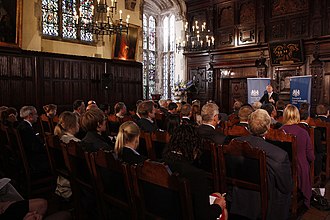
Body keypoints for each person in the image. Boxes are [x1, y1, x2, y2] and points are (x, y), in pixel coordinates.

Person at [234, 109, 293, 220]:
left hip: (239, 198)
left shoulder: (234, 143)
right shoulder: (279, 155)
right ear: (268, 128)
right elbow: (286, 186)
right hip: (266, 205)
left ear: (249, 125)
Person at [163, 124, 227, 220]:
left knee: (217, 195)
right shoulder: (196, 175)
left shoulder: (160, 164)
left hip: (166, 211)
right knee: (224, 211)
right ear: (193, 146)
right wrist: (218, 206)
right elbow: (204, 216)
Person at [281, 104, 314, 208]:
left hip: (282, 167)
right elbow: (310, 156)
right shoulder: (303, 132)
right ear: (297, 116)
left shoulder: (278, 131)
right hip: (299, 167)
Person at [54, 111, 80, 200]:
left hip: (62, 179)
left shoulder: (60, 137)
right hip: (72, 181)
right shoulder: (74, 142)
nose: (78, 124)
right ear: (71, 125)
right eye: (77, 122)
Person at [17, 106, 50, 173]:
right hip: (33, 162)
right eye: (36, 114)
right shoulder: (26, 129)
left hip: (28, 158)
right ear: (30, 116)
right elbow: (34, 147)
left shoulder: (23, 125)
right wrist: (45, 146)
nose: (37, 116)